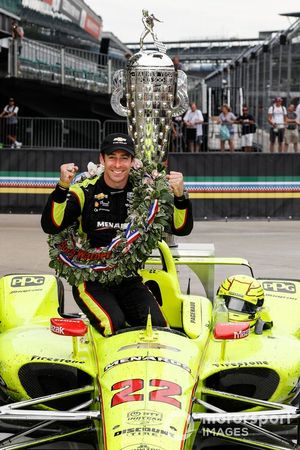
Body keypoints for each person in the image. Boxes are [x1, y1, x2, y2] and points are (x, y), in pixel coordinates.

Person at [41, 133, 193, 336]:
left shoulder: (147, 192)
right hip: (90, 280)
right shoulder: (84, 191)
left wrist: (180, 196)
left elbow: (181, 229)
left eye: (124, 158)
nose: (118, 164)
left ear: (132, 161)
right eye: (112, 157)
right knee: (113, 324)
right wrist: (62, 187)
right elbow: (51, 226)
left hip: (128, 279)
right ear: (102, 159)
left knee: (157, 327)